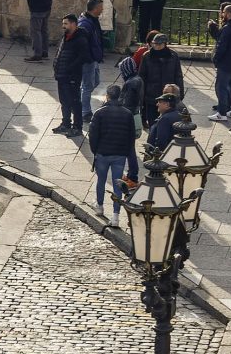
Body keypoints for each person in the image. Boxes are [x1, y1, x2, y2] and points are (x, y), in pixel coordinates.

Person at [88, 85, 139, 220]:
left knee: (101, 180)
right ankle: (115, 216)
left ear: (107, 96)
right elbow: (131, 136)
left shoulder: (99, 113)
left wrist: (95, 150)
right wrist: (126, 152)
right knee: (118, 184)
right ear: (120, 96)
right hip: (119, 155)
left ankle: (99, 206)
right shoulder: (127, 114)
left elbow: (93, 135)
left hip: (103, 153)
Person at [53, 14, 90, 134]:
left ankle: (77, 127)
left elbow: (83, 57)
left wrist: (70, 68)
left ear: (74, 24)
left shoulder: (80, 39)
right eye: (63, 23)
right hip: (61, 75)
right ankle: (65, 123)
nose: (63, 26)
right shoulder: (65, 36)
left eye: (66, 23)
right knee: (64, 101)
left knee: (74, 101)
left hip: (72, 76)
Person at [137, 33, 185, 126]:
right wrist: (141, 96)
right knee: (153, 123)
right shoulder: (146, 56)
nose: (156, 46)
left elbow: (178, 76)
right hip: (151, 96)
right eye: (155, 44)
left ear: (164, 44)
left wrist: (180, 94)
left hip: (168, 96)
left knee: (167, 122)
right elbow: (142, 76)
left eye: (159, 44)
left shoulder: (173, 56)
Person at [214, 2, 231, 121]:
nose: (222, 14)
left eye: (224, 12)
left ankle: (222, 113)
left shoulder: (227, 29)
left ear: (229, 14)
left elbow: (221, 46)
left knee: (222, 88)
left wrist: (216, 59)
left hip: (225, 63)